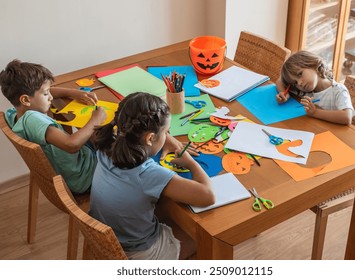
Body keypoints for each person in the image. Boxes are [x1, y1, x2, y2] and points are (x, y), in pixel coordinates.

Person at [89, 92, 215, 260]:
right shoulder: (147, 174)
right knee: (208, 239)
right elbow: (207, 196)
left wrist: (163, 136)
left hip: (111, 238)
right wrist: (191, 163)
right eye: (166, 132)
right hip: (141, 253)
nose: (168, 136)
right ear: (150, 138)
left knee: (166, 210)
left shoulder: (106, 145)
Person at [0, 59, 107, 193]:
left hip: (70, 171)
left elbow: (41, 92)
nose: (50, 97)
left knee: (101, 136)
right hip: (85, 176)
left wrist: (73, 93)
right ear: (26, 100)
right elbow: (71, 145)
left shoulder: (14, 114)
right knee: (124, 144)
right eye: (46, 94)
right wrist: (96, 119)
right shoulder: (32, 120)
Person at [275, 50, 355, 125]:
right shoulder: (305, 90)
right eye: (295, 83)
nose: (299, 83)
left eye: (300, 74)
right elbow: (280, 81)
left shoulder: (338, 90)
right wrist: (283, 93)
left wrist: (315, 112)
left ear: (314, 64)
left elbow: (346, 117)